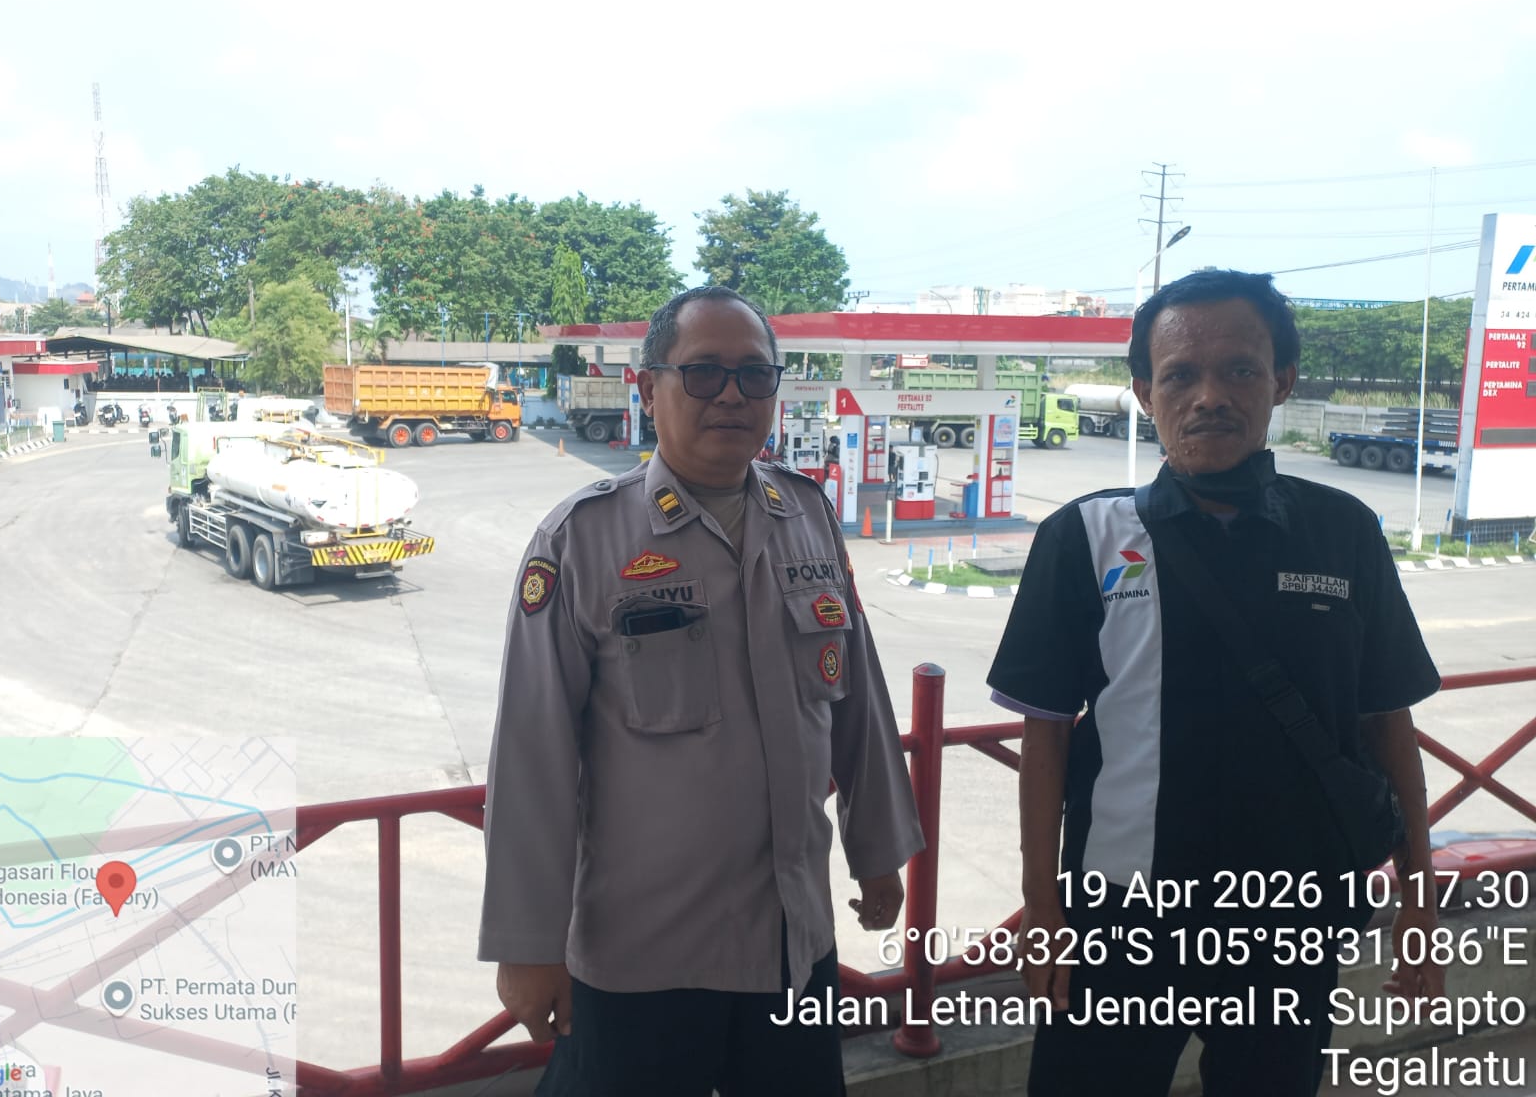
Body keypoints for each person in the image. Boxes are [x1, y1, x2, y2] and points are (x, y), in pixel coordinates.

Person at [987, 270, 1442, 1097]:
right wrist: (1043, 909)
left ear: (1283, 381)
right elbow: (1045, 731)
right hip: (1123, 916)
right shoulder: (1085, 535)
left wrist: (1420, 904)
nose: (1209, 397)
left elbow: (1388, 723)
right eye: (1180, 375)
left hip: (1290, 917)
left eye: (1239, 370)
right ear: (1143, 392)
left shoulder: (1343, 532)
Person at [480, 286, 924, 1096]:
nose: (731, 395)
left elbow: (859, 703)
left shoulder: (809, 517)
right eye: (704, 372)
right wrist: (527, 943)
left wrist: (878, 853)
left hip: (795, 942)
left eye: (755, 375)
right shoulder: (582, 540)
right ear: (649, 389)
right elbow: (530, 753)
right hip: (643, 959)